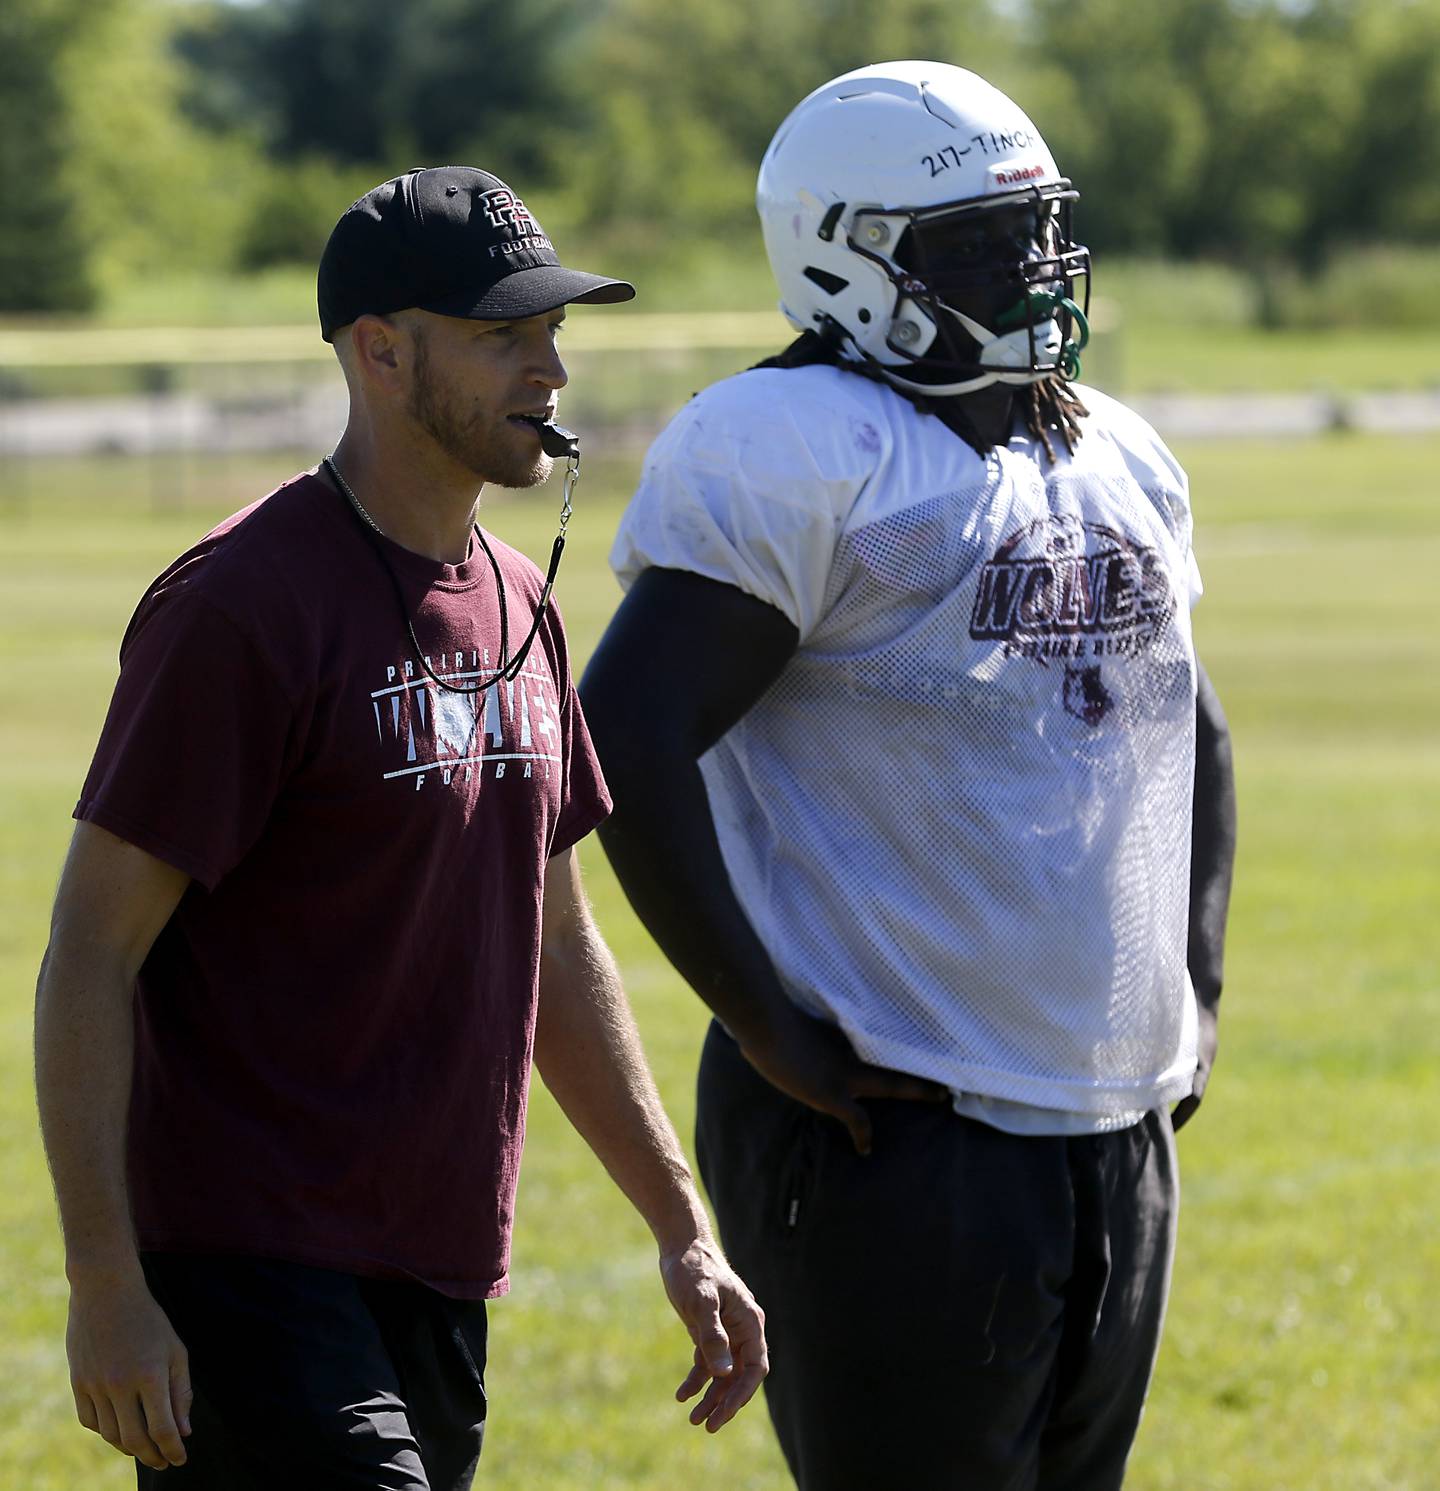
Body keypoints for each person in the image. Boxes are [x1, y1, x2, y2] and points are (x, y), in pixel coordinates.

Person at [34, 165, 766, 1489]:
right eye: (501, 335)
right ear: (380, 353)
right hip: (245, 1271)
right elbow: (90, 949)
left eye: (552, 332)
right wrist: (104, 1284)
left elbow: (557, 941)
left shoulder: (519, 605)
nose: (546, 368)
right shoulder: (241, 607)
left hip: (436, 1268)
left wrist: (679, 1222)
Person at [580, 62, 1236, 1491]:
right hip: (896, 1117)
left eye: (1039, 234)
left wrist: (1188, 987)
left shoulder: (1111, 442)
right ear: (847, 256)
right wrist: (761, 1020)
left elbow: (1190, 721)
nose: (1031, 272)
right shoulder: (796, 446)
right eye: (980, 246)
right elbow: (626, 733)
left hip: (1106, 1119)